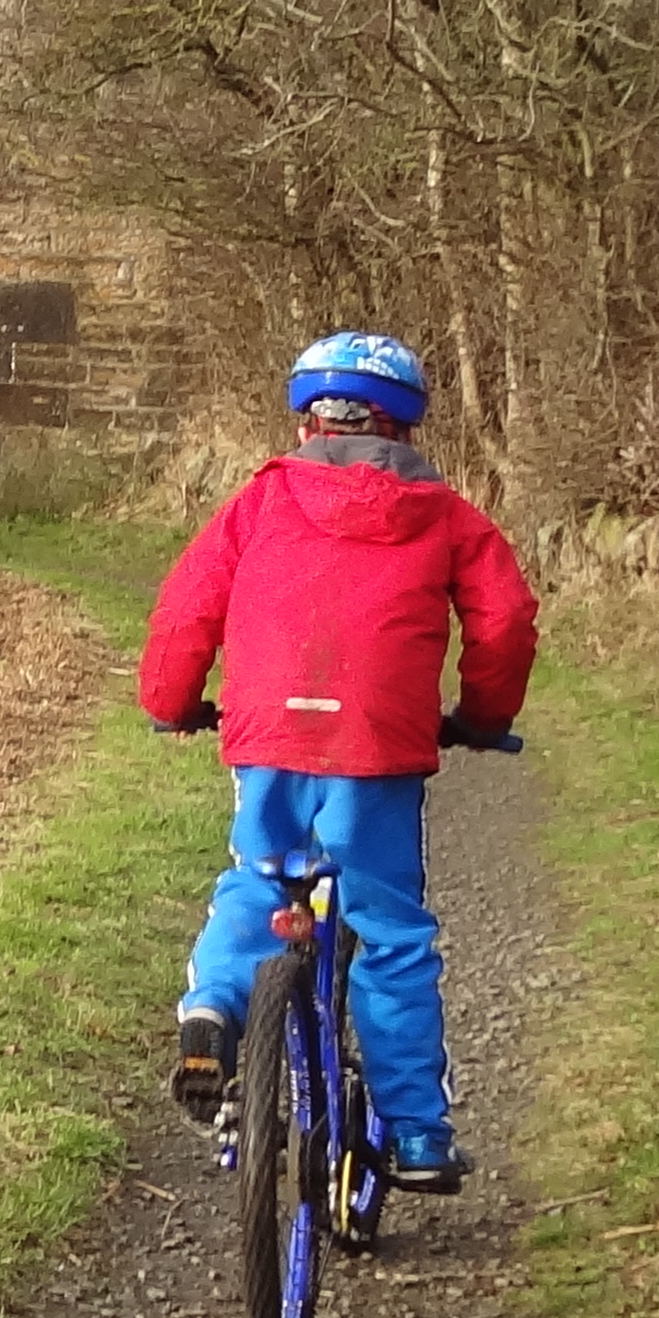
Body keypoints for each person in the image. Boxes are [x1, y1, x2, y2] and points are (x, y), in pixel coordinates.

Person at [143, 331, 537, 1193]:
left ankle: (212, 1010)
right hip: (377, 746)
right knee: (388, 933)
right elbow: (504, 621)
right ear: (405, 427)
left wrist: (173, 704)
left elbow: (185, 608)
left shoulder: (260, 500)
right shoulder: (446, 516)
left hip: (268, 735)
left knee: (259, 879)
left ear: (307, 422)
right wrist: (482, 717)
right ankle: (419, 1136)